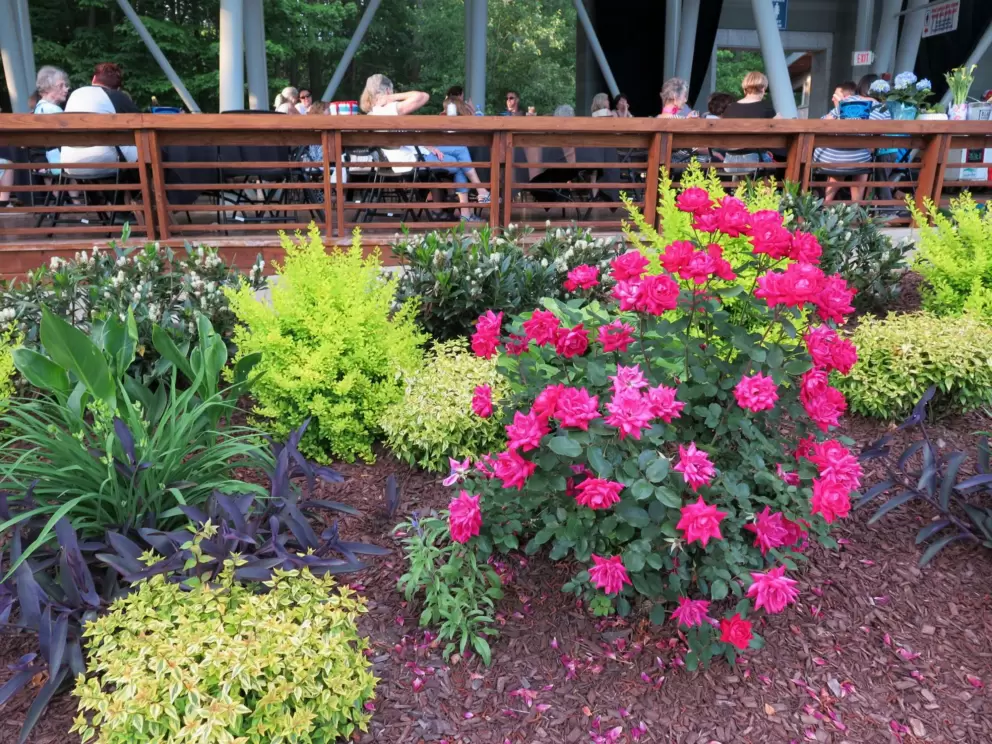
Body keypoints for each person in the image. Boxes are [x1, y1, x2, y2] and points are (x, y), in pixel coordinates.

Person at [359, 74, 490, 219]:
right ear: (388, 91)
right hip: (412, 159)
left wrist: (428, 145)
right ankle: (476, 199)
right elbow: (422, 96)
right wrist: (392, 98)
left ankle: (474, 200)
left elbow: (405, 137)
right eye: (392, 92)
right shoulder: (388, 109)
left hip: (414, 153)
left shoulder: (373, 113)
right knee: (461, 158)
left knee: (460, 154)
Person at [814, 76, 891, 204]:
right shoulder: (882, 109)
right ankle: (856, 206)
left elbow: (824, 122)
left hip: (828, 157)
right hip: (858, 159)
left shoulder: (848, 101)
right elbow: (880, 137)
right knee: (861, 159)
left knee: (843, 158)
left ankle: (826, 203)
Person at [61, 63, 139, 180]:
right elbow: (141, 119)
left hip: (69, 163)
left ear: (93, 79)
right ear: (118, 88)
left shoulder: (74, 95)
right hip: (104, 162)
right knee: (148, 150)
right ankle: (143, 194)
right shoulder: (116, 96)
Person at [33, 66, 70, 174]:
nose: (66, 89)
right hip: (57, 162)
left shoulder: (40, 108)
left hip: (47, 162)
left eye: (65, 85)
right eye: (61, 86)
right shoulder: (52, 110)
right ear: (47, 88)